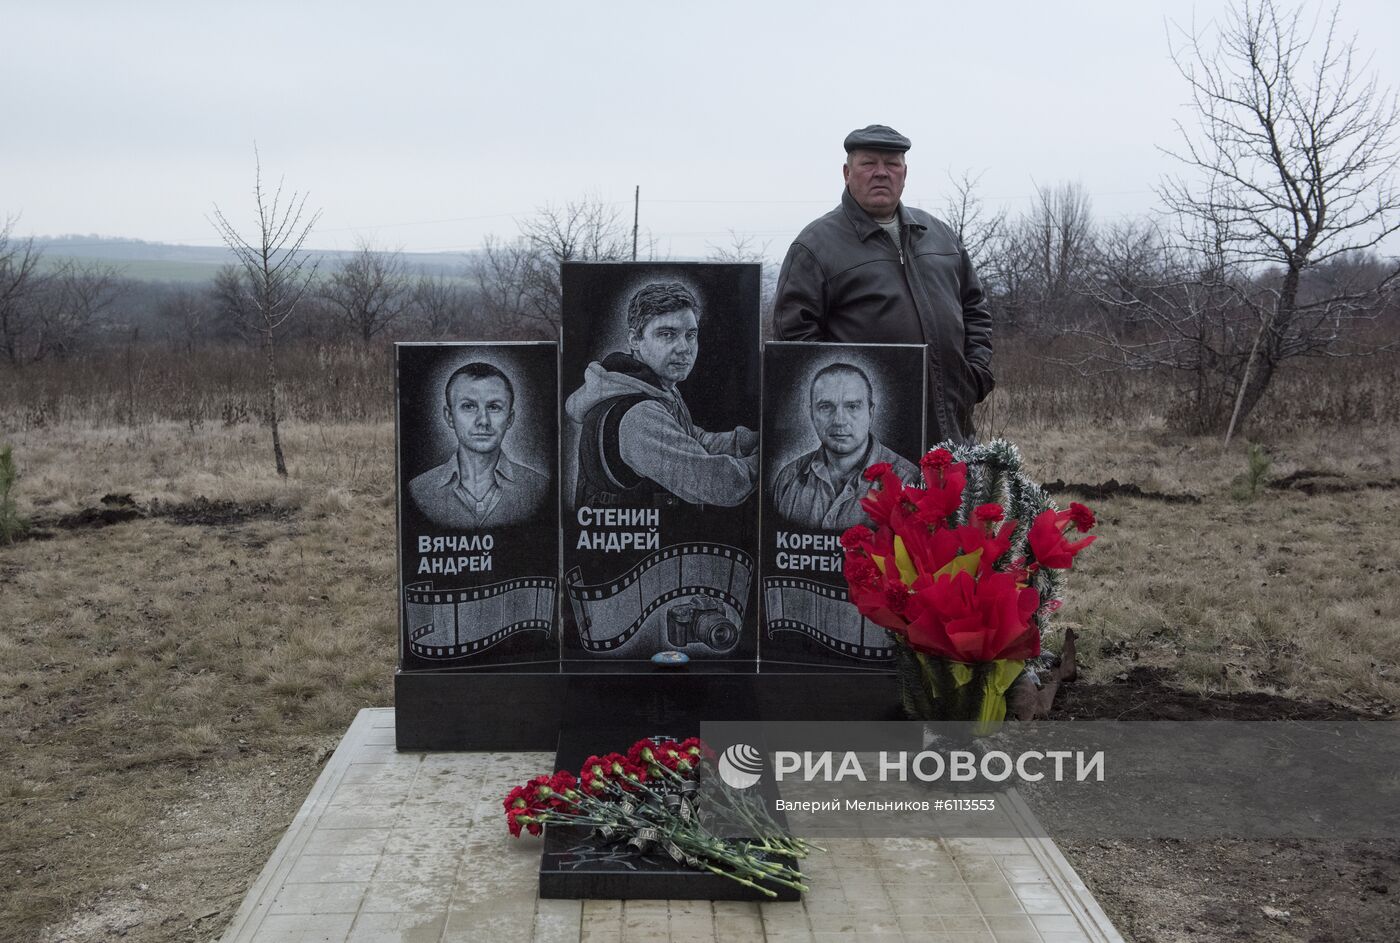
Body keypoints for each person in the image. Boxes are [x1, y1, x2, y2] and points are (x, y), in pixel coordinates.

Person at [772, 124, 994, 446]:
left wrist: (974, 376)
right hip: (870, 441)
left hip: (952, 430)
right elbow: (795, 350)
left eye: (892, 164)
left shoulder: (939, 235)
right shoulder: (815, 247)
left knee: (957, 499)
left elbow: (975, 309)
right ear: (847, 172)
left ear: (904, 173)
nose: (881, 173)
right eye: (868, 164)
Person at [565, 281, 758, 508]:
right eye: (667, 334)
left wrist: (749, 441)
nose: (684, 348)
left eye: (690, 335)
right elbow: (722, 485)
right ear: (635, 339)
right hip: (631, 542)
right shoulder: (639, 414)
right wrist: (769, 459)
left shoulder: (652, 387)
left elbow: (690, 438)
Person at [770, 361, 918, 530]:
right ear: (811, 414)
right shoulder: (788, 479)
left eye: (852, 406)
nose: (839, 421)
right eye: (826, 407)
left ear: (870, 413)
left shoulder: (908, 481)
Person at [409, 361, 549, 529]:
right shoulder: (418, 491)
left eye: (494, 407)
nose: (483, 421)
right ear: (449, 416)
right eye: (469, 406)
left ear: (510, 418)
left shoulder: (539, 488)